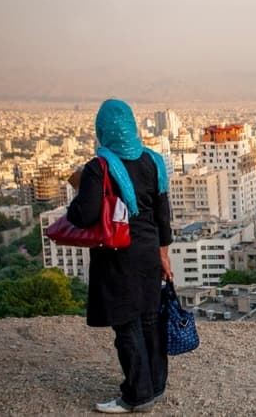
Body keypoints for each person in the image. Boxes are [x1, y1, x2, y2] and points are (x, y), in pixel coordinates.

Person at [67, 99, 173, 414]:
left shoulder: (98, 167)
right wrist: (163, 254)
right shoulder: (153, 161)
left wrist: (77, 194)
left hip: (117, 257)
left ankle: (137, 395)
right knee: (151, 321)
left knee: (127, 326)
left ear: (103, 131)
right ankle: (154, 385)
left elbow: (84, 216)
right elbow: (163, 217)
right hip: (148, 254)